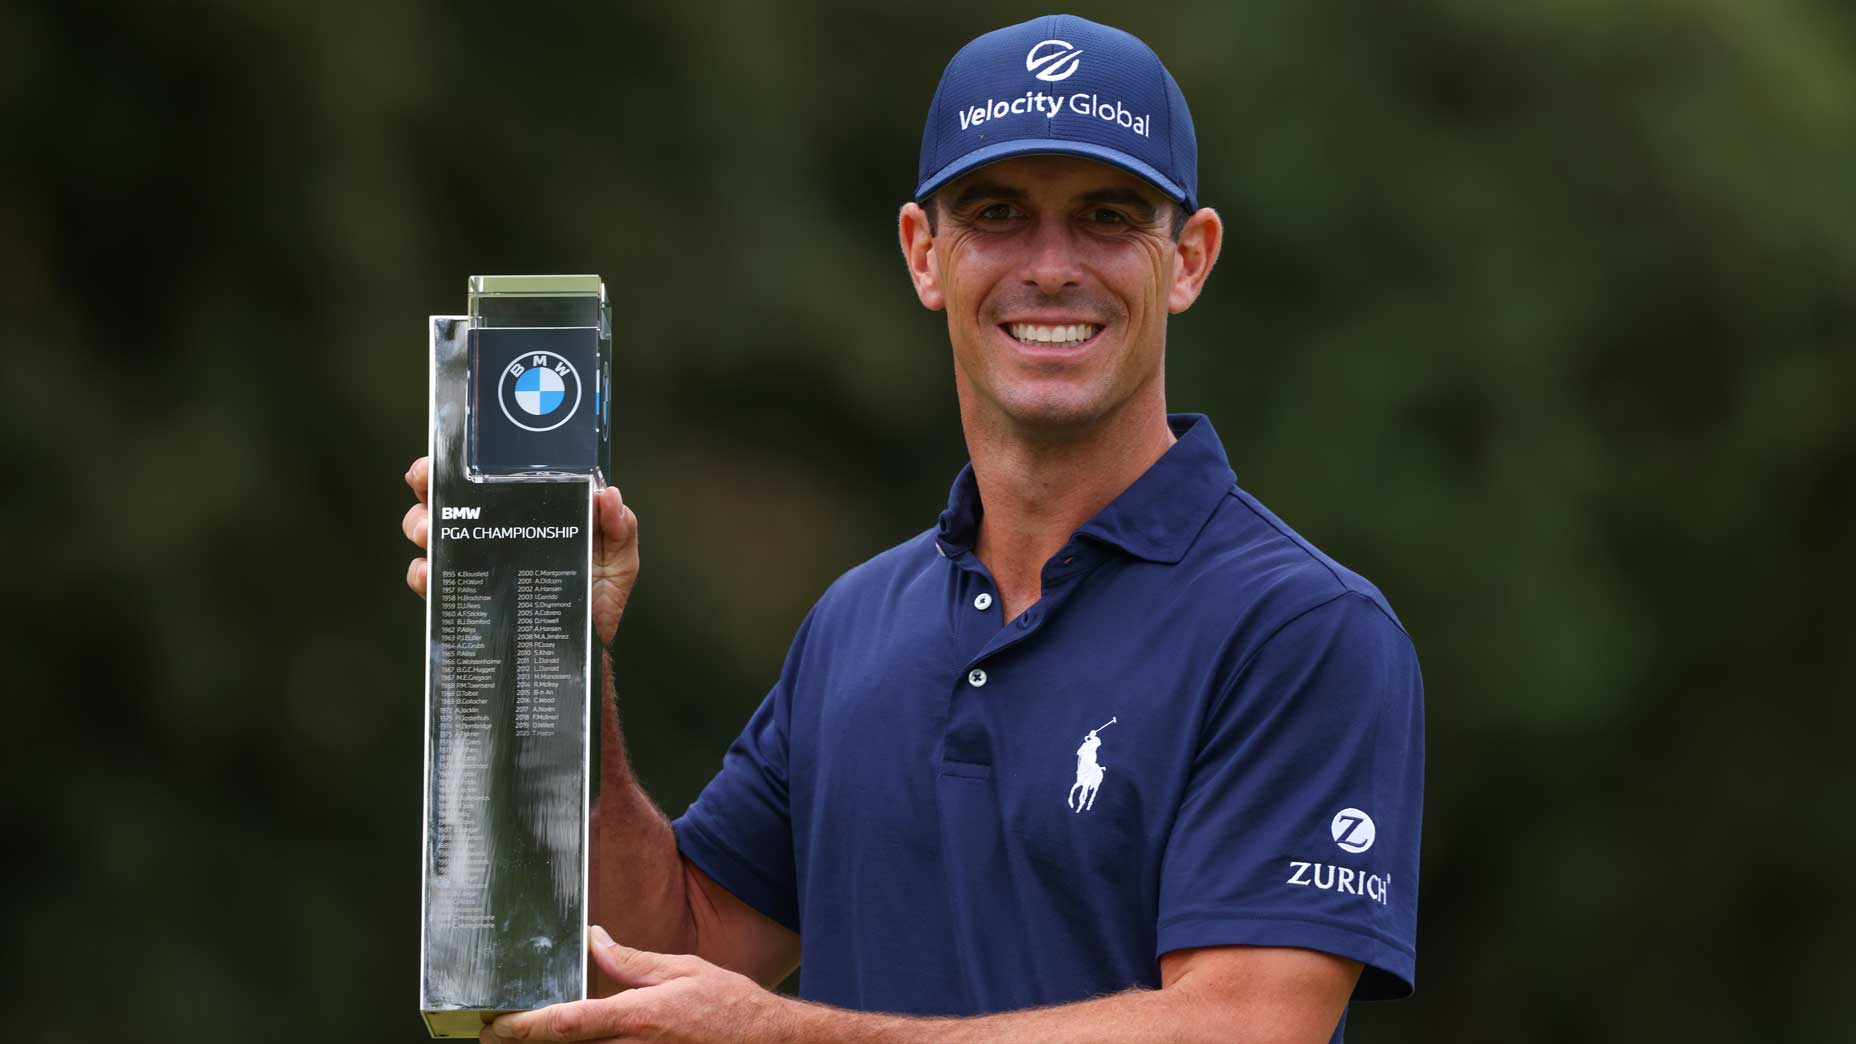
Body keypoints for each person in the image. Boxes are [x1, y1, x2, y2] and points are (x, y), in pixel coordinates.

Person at [402, 15, 1422, 1043]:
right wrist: (550, 649)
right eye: (997, 213)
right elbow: (652, 968)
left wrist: (780, 1036)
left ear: (1188, 259)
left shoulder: (1303, 630)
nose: (1052, 266)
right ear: (923, 255)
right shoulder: (856, 623)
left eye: (1107, 216)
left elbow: (1241, 1029)